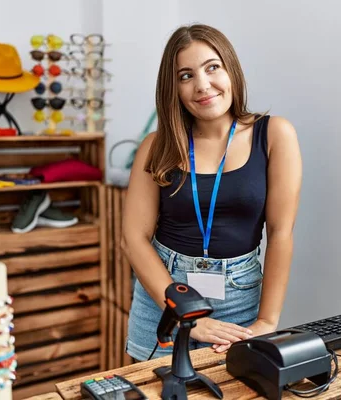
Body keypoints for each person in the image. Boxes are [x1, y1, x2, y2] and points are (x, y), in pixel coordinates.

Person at [122, 23, 302, 361]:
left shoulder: (275, 134)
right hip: (164, 294)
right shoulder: (156, 146)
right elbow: (133, 238)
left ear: (230, 69)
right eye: (185, 76)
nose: (202, 85)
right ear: (172, 88)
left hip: (238, 298)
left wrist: (268, 320)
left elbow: (281, 233)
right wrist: (181, 312)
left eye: (212, 67)